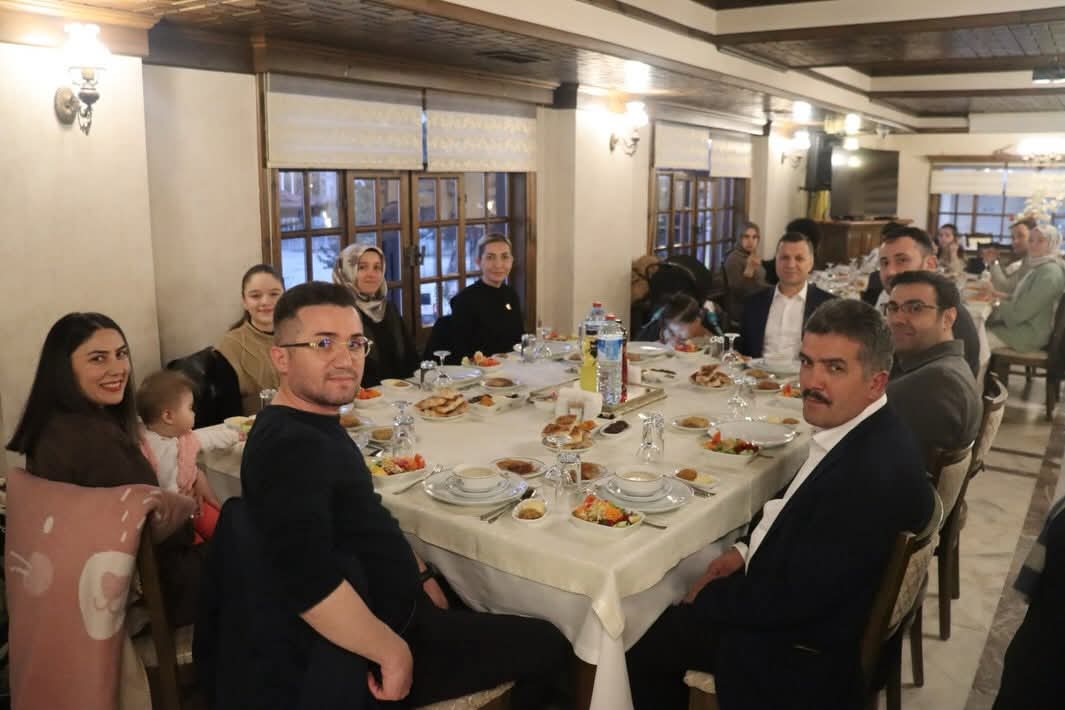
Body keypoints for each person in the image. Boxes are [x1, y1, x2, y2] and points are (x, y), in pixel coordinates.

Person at [232, 281, 568, 708]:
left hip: (396, 608)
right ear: (280, 357)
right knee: (552, 642)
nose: (344, 359)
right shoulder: (290, 448)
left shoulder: (310, 425)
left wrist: (421, 575)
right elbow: (307, 581)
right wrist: (390, 653)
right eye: (323, 343)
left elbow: (366, 518)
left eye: (355, 343)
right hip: (367, 650)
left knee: (493, 593)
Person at [626, 299, 933, 709]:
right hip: (808, 609)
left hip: (799, 654)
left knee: (638, 633)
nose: (812, 381)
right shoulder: (869, 431)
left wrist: (706, 598)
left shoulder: (868, 478)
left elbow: (793, 599)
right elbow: (794, 502)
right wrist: (742, 549)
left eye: (834, 368)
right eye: (807, 362)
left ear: (876, 382)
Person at [5, 313, 203, 625]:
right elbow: (154, 532)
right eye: (98, 358)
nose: (117, 368)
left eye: (121, 354)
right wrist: (186, 512)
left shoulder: (53, 427)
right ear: (63, 369)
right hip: (146, 592)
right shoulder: (92, 442)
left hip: (99, 580)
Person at [883, 271, 981, 453]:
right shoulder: (946, 366)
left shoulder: (937, 383)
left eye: (915, 308)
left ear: (947, 318)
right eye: (893, 308)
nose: (897, 319)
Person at [137, 369, 240, 539]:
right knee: (193, 539)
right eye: (190, 408)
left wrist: (236, 435)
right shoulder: (157, 451)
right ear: (168, 416)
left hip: (194, 502)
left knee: (222, 527)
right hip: (174, 516)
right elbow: (168, 490)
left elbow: (209, 438)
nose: (194, 413)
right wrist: (184, 507)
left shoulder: (181, 436)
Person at [877, 226, 981, 377]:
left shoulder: (943, 315)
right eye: (884, 263)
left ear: (930, 264)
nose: (890, 271)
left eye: (902, 260)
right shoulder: (889, 299)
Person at [332, 243, 418, 387]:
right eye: (362, 267)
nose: (371, 274)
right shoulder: (337, 312)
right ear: (346, 271)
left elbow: (411, 359)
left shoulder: (388, 308)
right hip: (358, 396)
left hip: (400, 395)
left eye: (377, 267)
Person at [739, 231, 835, 359]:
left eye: (799, 258)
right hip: (758, 371)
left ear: (811, 263)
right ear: (776, 261)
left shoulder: (829, 307)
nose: (791, 265)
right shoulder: (753, 303)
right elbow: (743, 352)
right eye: (784, 258)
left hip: (804, 372)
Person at [216, 264, 284, 415]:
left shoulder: (298, 336)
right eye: (255, 296)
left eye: (274, 294)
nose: (265, 302)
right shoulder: (231, 344)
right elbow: (229, 409)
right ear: (244, 302)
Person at [987, 224, 1065, 354]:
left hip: (1031, 334)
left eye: (1040, 240)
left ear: (1052, 243)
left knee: (976, 339)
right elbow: (1025, 298)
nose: (1033, 245)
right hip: (1028, 326)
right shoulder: (1040, 266)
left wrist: (996, 302)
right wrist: (996, 296)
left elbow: (1020, 312)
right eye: (1031, 240)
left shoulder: (1050, 273)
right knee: (979, 329)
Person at [449, 234, 525, 361]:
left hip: (512, 366)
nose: (498, 265)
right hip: (479, 369)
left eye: (505, 257)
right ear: (478, 262)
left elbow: (518, 341)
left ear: (511, 261)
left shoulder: (511, 295)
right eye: (490, 257)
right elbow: (462, 354)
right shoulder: (464, 300)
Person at [636, 292, 723, 345]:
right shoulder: (652, 331)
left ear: (697, 323)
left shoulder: (706, 333)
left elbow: (721, 343)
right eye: (671, 333)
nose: (673, 342)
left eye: (682, 339)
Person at [723, 221, 768, 322]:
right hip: (742, 308)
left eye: (754, 237)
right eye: (746, 237)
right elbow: (738, 292)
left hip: (758, 300)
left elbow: (759, 281)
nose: (751, 241)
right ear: (739, 238)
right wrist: (749, 269)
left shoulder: (751, 255)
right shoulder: (734, 258)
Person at [989, 217, 1036, 293]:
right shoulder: (1026, 259)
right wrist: (996, 261)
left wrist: (993, 261)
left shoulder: (1032, 262)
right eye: (1013, 237)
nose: (1015, 241)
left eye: (1021, 236)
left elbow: (1003, 288)